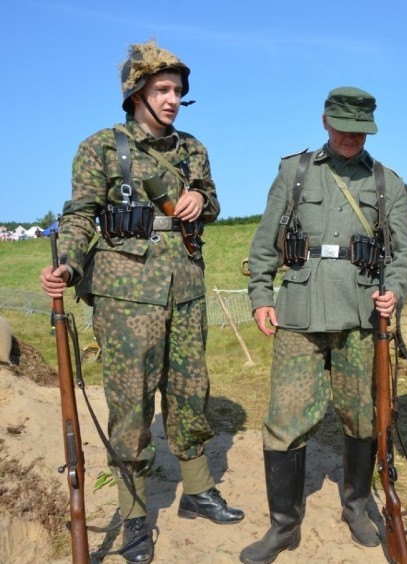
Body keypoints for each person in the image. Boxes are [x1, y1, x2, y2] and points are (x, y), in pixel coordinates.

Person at [39, 40, 244, 564]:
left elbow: (213, 203)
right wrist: (71, 265)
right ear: (136, 95)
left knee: (190, 389)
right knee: (131, 404)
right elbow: (81, 214)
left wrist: (201, 202)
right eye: (162, 90)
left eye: (178, 90)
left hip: (186, 288)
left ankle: (197, 489)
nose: (173, 99)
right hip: (125, 295)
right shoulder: (100, 148)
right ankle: (133, 516)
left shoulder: (193, 149)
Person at [243, 87, 407, 564]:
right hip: (298, 311)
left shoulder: (387, 183)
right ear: (324, 122)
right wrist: (261, 295)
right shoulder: (293, 171)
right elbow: (264, 242)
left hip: (361, 315)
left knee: (362, 416)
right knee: (285, 419)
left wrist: (396, 292)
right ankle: (283, 527)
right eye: (342, 128)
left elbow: (403, 256)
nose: (350, 137)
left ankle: (356, 507)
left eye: (360, 130)